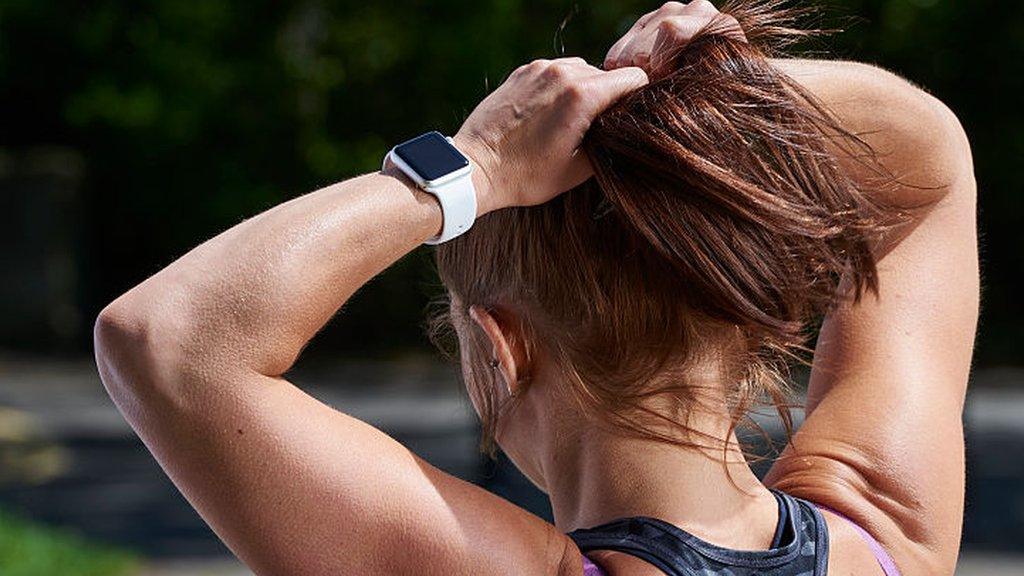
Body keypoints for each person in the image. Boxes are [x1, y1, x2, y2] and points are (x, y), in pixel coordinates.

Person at [93, 1, 977, 575]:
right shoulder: (885, 537)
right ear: (744, 317)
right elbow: (929, 166)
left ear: (498, 348)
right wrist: (714, 97)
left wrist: (466, 171)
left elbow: (170, 343)